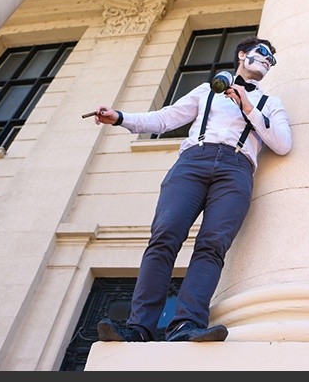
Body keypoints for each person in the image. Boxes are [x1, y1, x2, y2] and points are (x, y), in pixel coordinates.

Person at [92, 37, 292, 342]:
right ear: (242, 55)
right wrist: (120, 118)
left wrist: (247, 106)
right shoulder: (205, 91)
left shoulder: (270, 104)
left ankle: (186, 323)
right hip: (192, 162)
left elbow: (282, 144)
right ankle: (139, 327)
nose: (267, 61)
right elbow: (165, 118)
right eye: (262, 53)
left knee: (213, 244)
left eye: (272, 60)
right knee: (164, 236)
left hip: (236, 169)